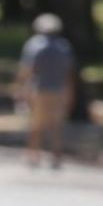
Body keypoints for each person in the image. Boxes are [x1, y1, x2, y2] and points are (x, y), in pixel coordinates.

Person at [15, 13, 76, 169]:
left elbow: (26, 70)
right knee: (56, 125)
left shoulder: (34, 45)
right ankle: (56, 156)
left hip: (38, 89)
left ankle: (33, 154)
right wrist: (70, 93)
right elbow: (69, 74)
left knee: (35, 124)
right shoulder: (64, 47)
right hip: (58, 90)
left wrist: (21, 90)